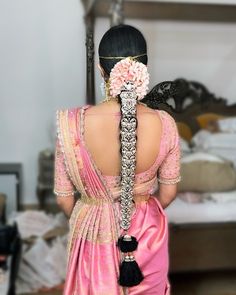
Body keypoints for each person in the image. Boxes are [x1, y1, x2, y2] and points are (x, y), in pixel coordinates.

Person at [54, 24, 181, 295]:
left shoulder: (71, 124)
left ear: (102, 70)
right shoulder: (166, 124)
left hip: (92, 230)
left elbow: (64, 199)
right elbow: (168, 193)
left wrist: (91, 213)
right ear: (143, 70)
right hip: (146, 235)